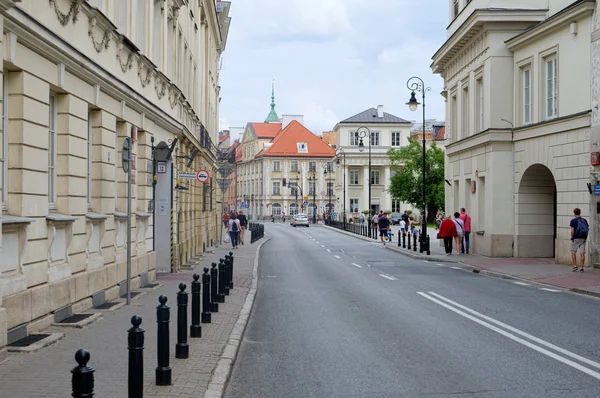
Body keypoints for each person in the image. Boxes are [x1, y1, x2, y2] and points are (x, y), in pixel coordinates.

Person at [570, 207, 589, 272]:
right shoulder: (584, 220)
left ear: (574, 213)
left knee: (573, 251)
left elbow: (572, 230)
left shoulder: (573, 220)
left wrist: (572, 237)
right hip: (583, 238)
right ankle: (581, 267)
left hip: (575, 238)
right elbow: (587, 229)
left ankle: (575, 266)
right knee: (582, 253)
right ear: (580, 212)